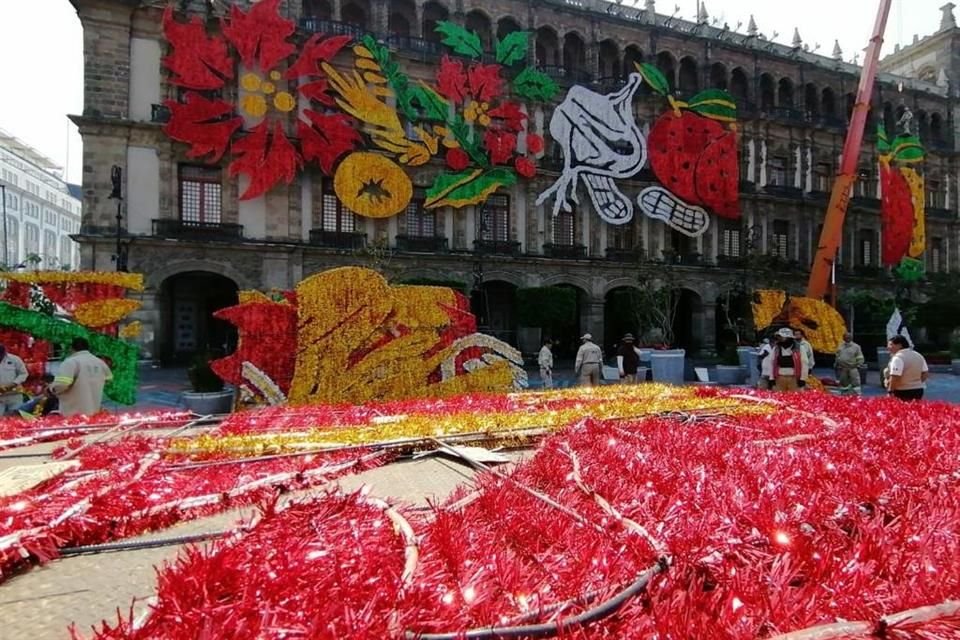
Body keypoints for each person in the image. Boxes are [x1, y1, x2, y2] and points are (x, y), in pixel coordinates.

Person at [50, 337, 113, 417]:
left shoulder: (71, 362)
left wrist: (51, 389)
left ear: (72, 349)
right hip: (94, 413)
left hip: (74, 415)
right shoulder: (100, 362)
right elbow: (109, 379)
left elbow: (62, 384)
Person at [761, 327, 809, 392]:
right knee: (779, 397)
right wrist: (771, 378)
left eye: (781, 337)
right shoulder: (776, 349)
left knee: (795, 397)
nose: (779, 339)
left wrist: (802, 379)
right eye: (779, 337)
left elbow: (804, 364)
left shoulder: (800, 348)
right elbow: (771, 363)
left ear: (789, 338)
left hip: (794, 378)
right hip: (779, 378)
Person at [885, 335, 928, 401]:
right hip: (919, 390)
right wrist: (915, 383)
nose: (888, 347)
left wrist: (890, 391)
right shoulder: (918, 355)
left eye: (891, 344)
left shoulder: (898, 358)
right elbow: (925, 373)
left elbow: (895, 377)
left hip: (902, 391)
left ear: (899, 345)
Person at [0, 344, 29, 415]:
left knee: (15, 417)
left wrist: (14, 383)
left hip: (15, 395)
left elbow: (23, 373)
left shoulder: (15, 359)